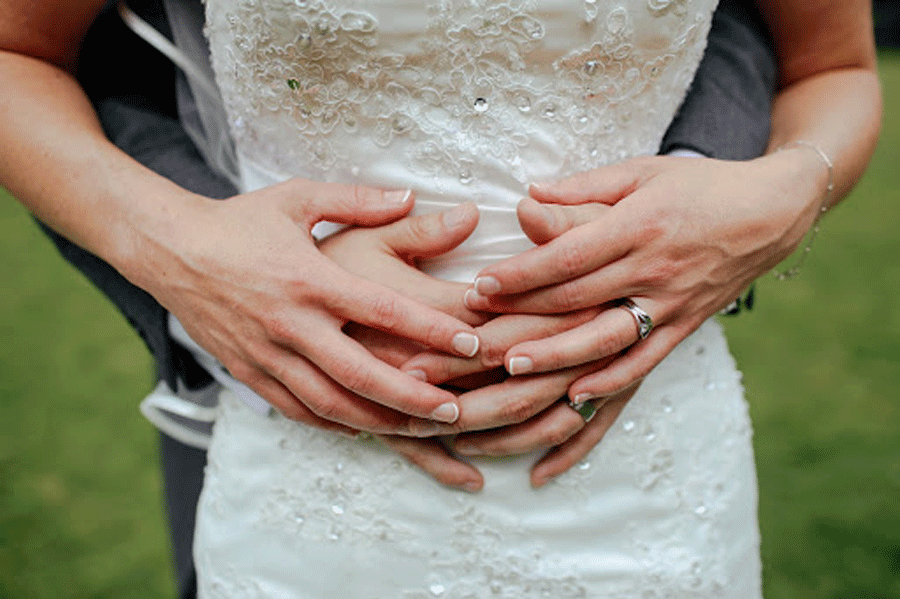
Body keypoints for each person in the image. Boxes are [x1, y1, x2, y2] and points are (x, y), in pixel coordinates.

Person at [0, 0, 880, 597]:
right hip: (314, 478)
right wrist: (193, 252)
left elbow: (832, 68)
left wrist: (790, 189)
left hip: (655, 475)